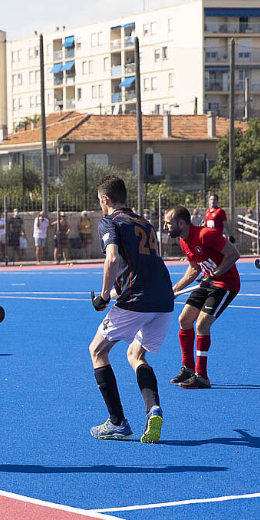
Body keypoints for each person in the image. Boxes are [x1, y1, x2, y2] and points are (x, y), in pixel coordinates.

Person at [88, 175, 172, 444]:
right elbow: (136, 271)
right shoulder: (144, 223)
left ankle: (117, 422)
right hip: (164, 299)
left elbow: (112, 259)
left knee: (97, 350)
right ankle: (153, 409)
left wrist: (103, 295)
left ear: (105, 199)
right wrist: (113, 293)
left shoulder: (110, 221)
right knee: (136, 354)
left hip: (138, 299)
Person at [162, 205, 241, 389]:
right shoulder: (183, 241)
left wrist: (214, 275)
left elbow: (233, 254)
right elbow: (194, 269)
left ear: (181, 223)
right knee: (184, 320)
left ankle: (202, 376)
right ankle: (188, 369)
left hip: (225, 284)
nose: (165, 227)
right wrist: (174, 289)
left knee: (202, 324)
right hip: (207, 282)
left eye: (168, 223)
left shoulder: (206, 234)